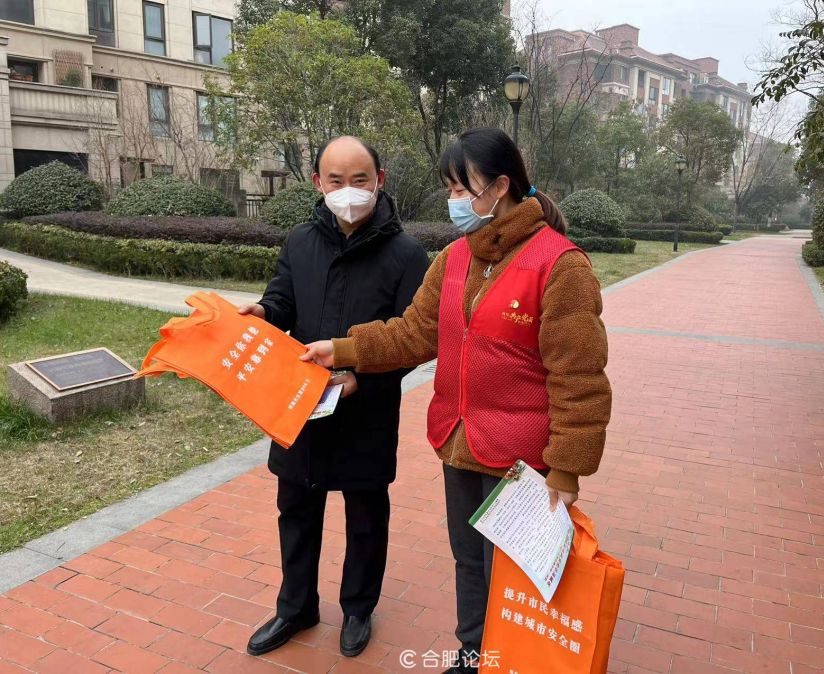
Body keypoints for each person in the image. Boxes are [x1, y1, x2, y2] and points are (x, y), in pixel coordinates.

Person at [302, 127, 612, 673]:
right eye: (450, 188)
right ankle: (472, 655)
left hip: (523, 460)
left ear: (500, 186)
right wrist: (343, 350)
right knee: (469, 562)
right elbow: (413, 332)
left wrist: (566, 468)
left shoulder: (560, 266)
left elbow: (579, 377)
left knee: (515, 574)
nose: (454, 201)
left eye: (461, 188)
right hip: (459, 440)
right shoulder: (454, 259)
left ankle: (512, 661)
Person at [238, 136, 429, 659]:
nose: (349, 191)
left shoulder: (406, 255)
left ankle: (358, 609)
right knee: (295, 508)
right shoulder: (301, 241)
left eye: (360, 179)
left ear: (379, 180)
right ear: (318, 183)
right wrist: (263, 312)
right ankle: (295, 607)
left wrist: (361, 379)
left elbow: (412, 339)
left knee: (366, 515)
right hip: (300, 403)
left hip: (366, 407)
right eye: (336, 180)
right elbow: (283, 300)